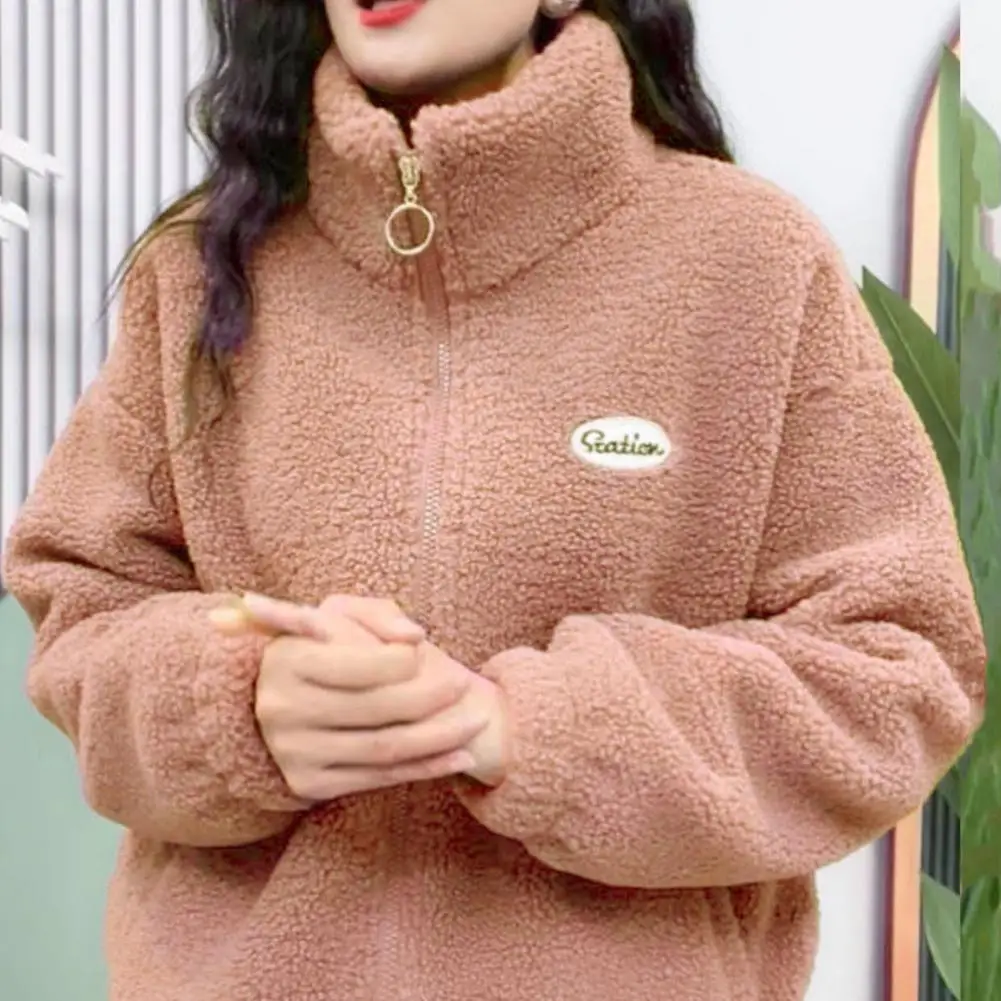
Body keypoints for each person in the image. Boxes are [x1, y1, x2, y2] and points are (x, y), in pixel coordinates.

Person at [2, 0, 985, 999]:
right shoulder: (203, 266)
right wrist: (236, 705)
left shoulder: (750, 264)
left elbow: (894, 668)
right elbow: (85, 610)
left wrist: (537, 728)